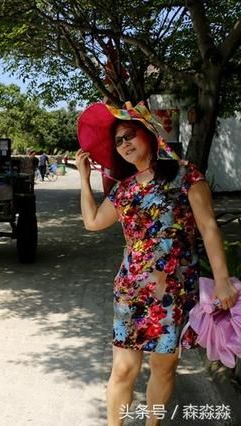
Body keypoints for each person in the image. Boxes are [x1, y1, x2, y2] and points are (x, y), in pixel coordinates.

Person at [75, 101, 238, 426]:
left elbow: (208, 227)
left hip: (173, 293)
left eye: (129, 135)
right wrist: (84, 178)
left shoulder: (185, 175)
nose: (124, 144)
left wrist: (221, 279)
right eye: (118, 141)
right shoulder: (123, 191)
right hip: (132, 292)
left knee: (164, 366)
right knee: (123, 368)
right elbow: (93, 221)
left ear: (149, 135)